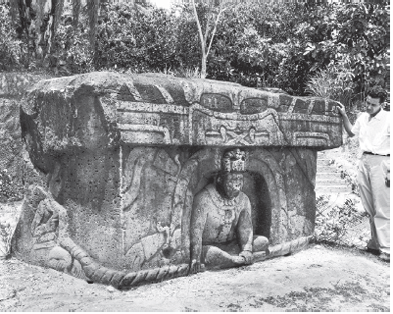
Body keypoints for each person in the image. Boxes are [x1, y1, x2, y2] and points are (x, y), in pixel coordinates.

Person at [188, 148, 269, 274]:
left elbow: (246, 228)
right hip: (209, 247)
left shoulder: (243, 199)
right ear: (220, 179)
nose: (237, 185)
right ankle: (234, 260)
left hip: (232, 245)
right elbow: (196, 232)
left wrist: (247, 249)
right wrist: (195, 258)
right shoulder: (204, 199)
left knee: (263, 241)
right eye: (232, 180)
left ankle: (234, 258)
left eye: (240, 180)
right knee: (213, 253)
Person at [337, 86, 390, 262]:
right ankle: (375, 243)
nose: (368, 107)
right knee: (369, 205)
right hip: (364, 160)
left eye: (373, 105)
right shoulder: (363, 117)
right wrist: (344, 116)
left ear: (382, 104)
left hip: (382, 162)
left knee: (382, 206)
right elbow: (352, 132)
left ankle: (387, 248)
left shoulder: (389, 119)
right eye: (367, 102)